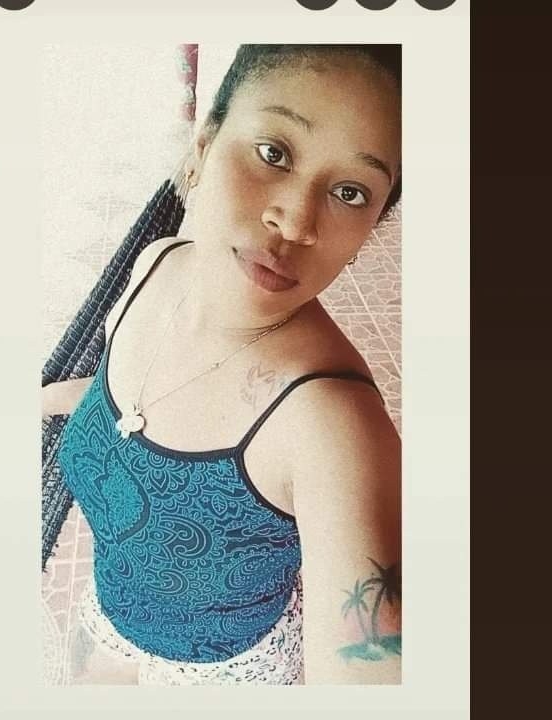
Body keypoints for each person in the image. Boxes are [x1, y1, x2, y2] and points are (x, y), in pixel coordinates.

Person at [42, 44, 402, 685]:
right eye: (274, 152)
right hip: (107, 624)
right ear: (204, 145)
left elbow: (370, 666)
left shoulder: (333, 425)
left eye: (350, 192)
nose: (294, 221)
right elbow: (123, 397)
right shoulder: (158, 265)